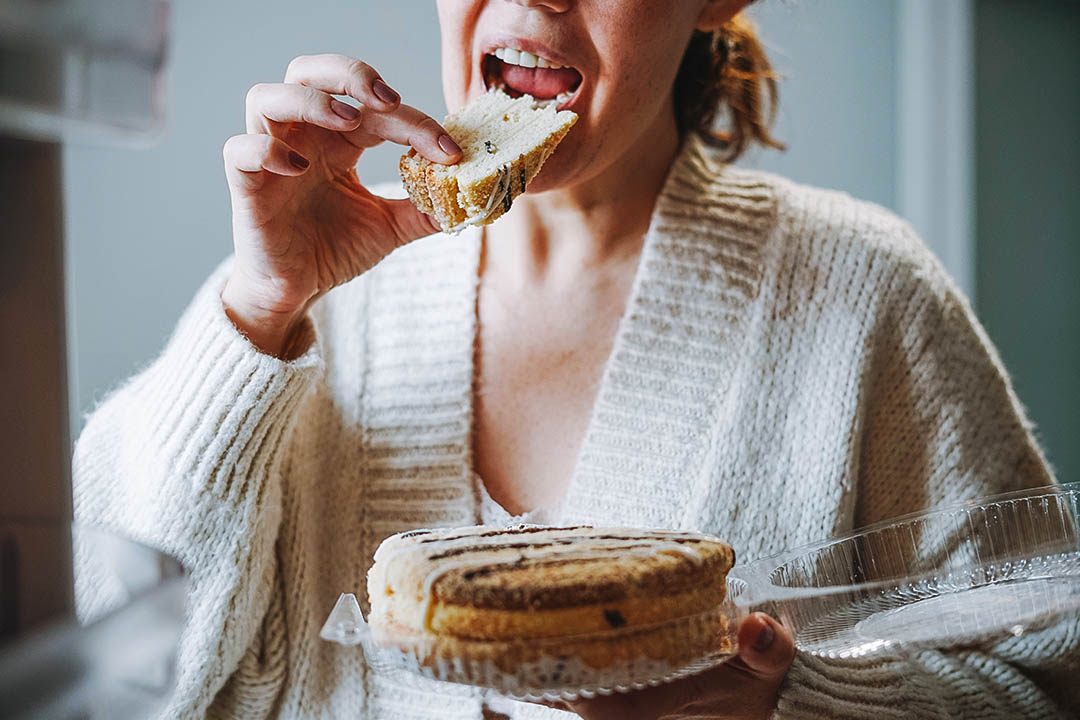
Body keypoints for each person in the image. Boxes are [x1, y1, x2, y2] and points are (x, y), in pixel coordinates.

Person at [71, 1, 1077, 718]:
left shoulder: (865, 295)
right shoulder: (300, 297)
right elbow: (120, 671)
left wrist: (790, 708)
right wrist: (259, 308)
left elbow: (1042, 683)